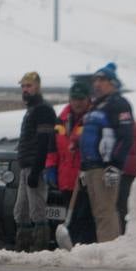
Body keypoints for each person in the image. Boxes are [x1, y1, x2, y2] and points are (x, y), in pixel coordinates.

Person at [79, 62, 134, 244]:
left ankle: (109, 247)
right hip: (91, 166)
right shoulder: (96, 106)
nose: (97, 84)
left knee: (106, 210)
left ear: (112, 83)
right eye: (95, 80)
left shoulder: (119, 104)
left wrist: (115, 165)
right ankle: (104, 245)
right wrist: (83, 165)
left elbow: (125, 137)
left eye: (102, 80)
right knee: (97, 211)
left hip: (105, 166)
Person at [45, 79, 97, 246]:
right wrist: (51, 167)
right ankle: (72, 246)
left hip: (84, 179)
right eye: (74, 98)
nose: (77, 103)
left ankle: (83, 246)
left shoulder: (93, 119)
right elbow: (52, 148)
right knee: (70, 216)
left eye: (81, 99)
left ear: (88, 99)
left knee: (83, 217)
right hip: (65, 179)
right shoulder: (61, 120)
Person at [12, 71, 57, 253]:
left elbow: (44, 142)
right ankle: (22, 247)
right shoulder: (32, 110)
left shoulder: (43, 109)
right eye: (23, 86)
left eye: (29, 86)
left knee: (37, 211)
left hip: (35, 167)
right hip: (25, 166)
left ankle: (39, 249)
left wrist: (37, 170)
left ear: (37, 87)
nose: (25, 90)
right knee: (21, 211)